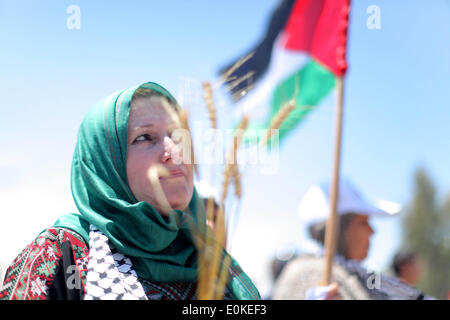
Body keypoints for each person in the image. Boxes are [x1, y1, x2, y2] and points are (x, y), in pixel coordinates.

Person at [0, 82, 260, 300]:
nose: (174, 151)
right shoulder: (62, 255)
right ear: (107, 163)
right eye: (145, 137)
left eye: (178, 135)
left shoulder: (215, 266)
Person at [271, 180, 434, 300]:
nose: (372, 231)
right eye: (363, 222)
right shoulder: (312, 274)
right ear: (336, 229)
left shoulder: (346, 272)